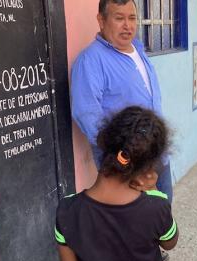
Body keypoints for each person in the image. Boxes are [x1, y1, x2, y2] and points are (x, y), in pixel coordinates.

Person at [55, 106, 179, 261]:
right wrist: (154, 192)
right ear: (147, 171)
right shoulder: (156, 207)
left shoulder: (67, 211)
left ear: (104, 143)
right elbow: (170, 242)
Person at [70, 0, 174, 201]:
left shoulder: (138, 50)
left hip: (158, 156)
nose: (128, 25)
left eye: (132, 18)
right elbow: (85, 113)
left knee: (163, 214)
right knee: (133, 224)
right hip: (128, 168)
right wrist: (123, 157)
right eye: (119, 18)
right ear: (101, 20)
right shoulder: (91, 60)